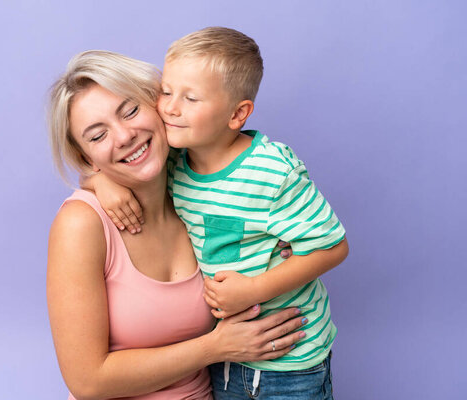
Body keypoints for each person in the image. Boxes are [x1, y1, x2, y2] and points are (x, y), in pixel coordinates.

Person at [87, 27, 349, 399]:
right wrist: (101, 182)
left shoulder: (272, 171)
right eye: (166, 92)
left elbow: (333, 247)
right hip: (222, 355)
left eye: (191, 98)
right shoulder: (174, 160)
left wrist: (254, 290)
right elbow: (116, 159)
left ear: (236, 114)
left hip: (289, 358)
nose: (171, 108)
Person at [46, 50, 307, 400]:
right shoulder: (81, 225)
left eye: (131, 110)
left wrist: (278, 246)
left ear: (161, 105)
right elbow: (87, 382)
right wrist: (215, 347)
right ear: (85, 157)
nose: (123, 136)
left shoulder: (199, 194)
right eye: (97, 136)